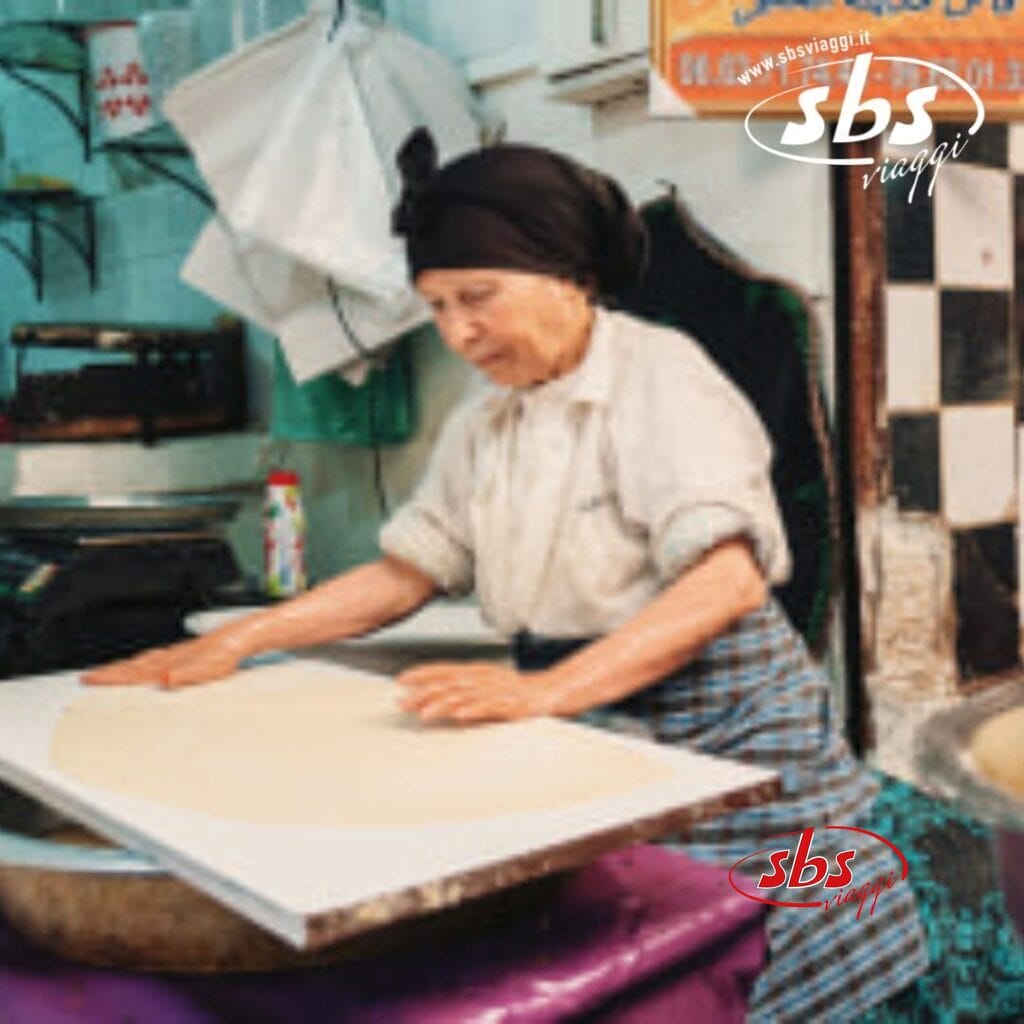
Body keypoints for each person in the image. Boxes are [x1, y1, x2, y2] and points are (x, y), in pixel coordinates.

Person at [85, 128, 928, 1021]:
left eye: (476, 297)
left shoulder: (659, 379)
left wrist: (542, 694)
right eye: (438, 306)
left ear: (567, 272)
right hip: (603, 731)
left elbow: (723, 586)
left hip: (735, 741)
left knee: (780, 954)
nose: (457, 331)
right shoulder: (488, 427)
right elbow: (407, 574)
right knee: (652, 968)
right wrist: (240, 640)